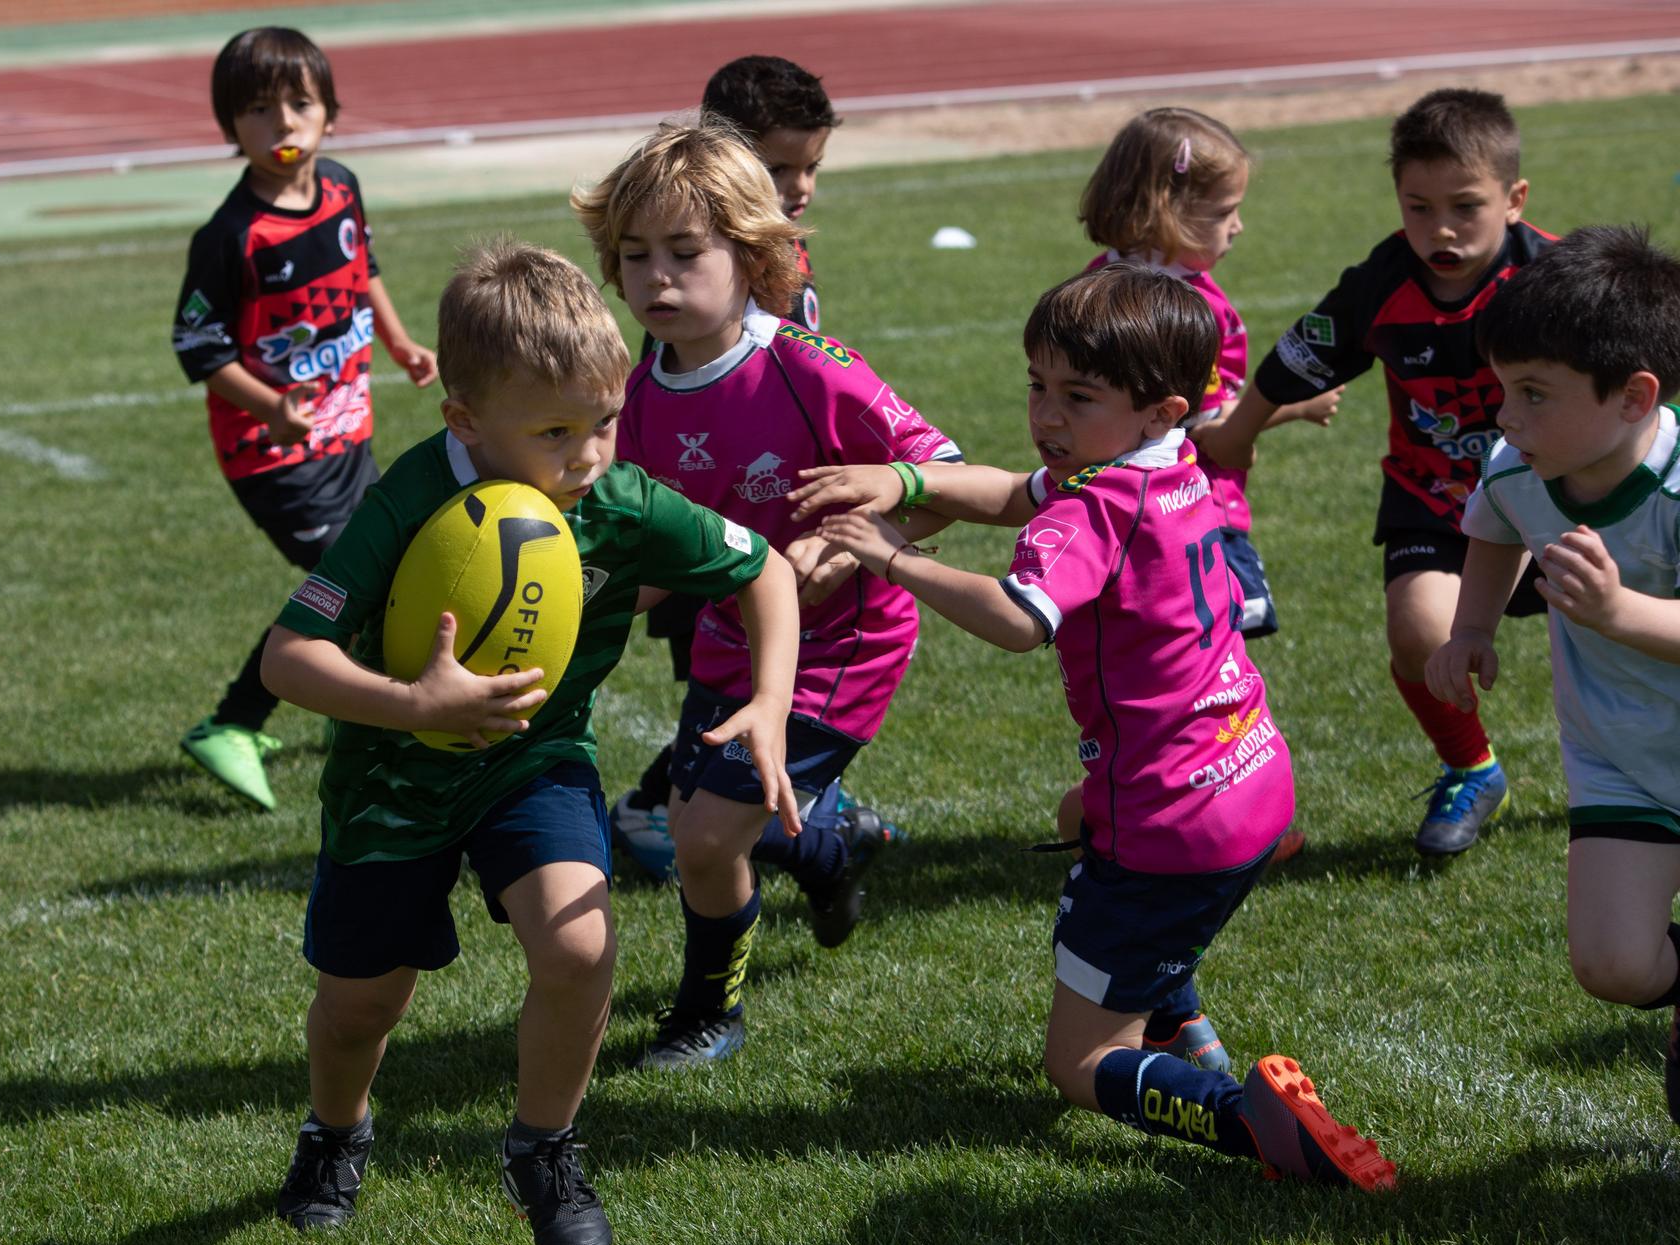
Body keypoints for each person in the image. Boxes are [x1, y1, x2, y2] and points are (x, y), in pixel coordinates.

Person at [257, 240, 802, 1245]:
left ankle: (542, 1147)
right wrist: (410, 700)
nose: (588, 453)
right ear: (465, 420)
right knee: (359, 1004)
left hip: (532, 762)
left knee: (581, 948)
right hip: (392, 780)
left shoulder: (617, 501)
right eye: (555, 431)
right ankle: (335, 1132)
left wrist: (769, 698)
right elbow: (289, 656)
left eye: (604, 420)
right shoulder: (407, 500)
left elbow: (761, 568)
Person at [794, 264, 1396, 1190]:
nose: (1047, 414)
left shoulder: (1093, 508)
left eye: (1077, 396)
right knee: (1087, 832)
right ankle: (1176, 1015)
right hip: (1249, 771)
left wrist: (894, 554)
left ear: (1158, 407)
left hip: (1170, 815)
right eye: (1038, 385)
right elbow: (1007, 493)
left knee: (1077, 1064)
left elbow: (1017, 619)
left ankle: (1251, 1122)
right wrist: (907, 473)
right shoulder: (1169, 463)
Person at [572, 119, 958, 1069]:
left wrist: (870, 539)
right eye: (633, 256)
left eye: (683, 253)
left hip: (844, 642)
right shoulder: (640, 395)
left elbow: (942, 469)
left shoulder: (807, 368)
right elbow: (656, 545)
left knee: (702, 840)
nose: (655, 278)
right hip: (730, 638)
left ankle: (709, 1014)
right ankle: (830, 845)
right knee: (712, 826)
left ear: (751, 255)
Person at [1198, 87, 1553, 856]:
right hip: (1436, 501)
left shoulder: (1554, 283)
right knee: (1419, 631)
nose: (1440, 229)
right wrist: (1234, 431)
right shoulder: (1381, 286)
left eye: (1466, 206)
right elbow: (1297, 359)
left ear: (1515, 200)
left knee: (1618, 637)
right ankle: (1472, 767)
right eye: (1418, 207)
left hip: (1558, 498)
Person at [1072, 106, 1341, 1071]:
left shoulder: (1088, 294)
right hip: (1191, 520)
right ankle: (1229, 825)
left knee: (1154, 722)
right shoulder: (1198, 309)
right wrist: (1289, 403)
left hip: (1115, 528)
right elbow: (1214, 432)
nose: (1236, 229)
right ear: (1168, 208)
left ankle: (1221, 831)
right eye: (1224, 210)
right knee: (1201, 686)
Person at [1425, 224, 1680, 1126]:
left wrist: (1619, 614)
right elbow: (1494, 526)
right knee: (1612, 965)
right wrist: (1472, 627)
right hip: (1618, 755)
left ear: (1633, 396)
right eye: (1503, 390)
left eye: (1534, 394)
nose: (1507, 417)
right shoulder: (1522, 467)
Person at [171, 26, 439, 812]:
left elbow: (365, 267)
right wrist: (271, 409)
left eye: (299, 104)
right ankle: (240, 721)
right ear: (229, 127)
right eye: (258, 110)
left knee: (361, 580)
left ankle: (306, 715)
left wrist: (397, 342)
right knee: (361, 583)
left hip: (348, 433)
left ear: (330, 113)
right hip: (273, 457)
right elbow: (196, 345)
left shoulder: (342, 187)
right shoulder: (230, 236)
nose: (283, 125)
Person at [613, 55, 844, 880]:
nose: (802, 184)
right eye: (781, 167)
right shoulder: (687, 300)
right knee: (714, 703)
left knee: (747, 701)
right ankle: (689, 807)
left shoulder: (780, 263)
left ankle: (804, 822)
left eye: (811, 165)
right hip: (707, 517)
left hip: (786, 523)